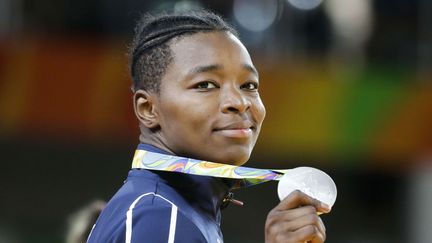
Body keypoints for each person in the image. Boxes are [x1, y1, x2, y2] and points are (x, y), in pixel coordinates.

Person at [87, 9, 331, 243]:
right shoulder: (160, 217)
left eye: (249, 85)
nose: (238, 102)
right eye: (205, 85)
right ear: (148, 109)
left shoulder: (177, 209)